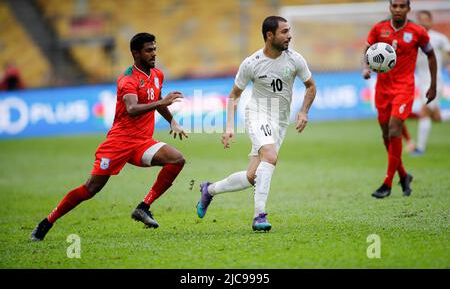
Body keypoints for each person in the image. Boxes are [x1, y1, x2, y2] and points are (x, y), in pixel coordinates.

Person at [30, 33, 188, 241]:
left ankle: (143, 207)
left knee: (177, 159)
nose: (154, 54)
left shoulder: (157, 75)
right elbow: (132, 108)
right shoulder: (127, 80)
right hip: (119, 142)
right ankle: (47, 222)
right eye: (149, 50)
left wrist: (172, 121)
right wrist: (162, 103)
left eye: (154, 49)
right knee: (91, 188)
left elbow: (156, 98)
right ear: (136, 53)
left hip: (142, 142)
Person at [196, 16, 316, 231]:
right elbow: (234, 95)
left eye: (289, 31)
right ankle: (259, 216)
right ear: (270, 36)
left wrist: (304, 111)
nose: (289, 35)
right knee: (270, 156)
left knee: (253, 176)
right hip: (258, 114)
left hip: (280, 121)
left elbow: (311, 86)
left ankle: (209, 190)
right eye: (284, 32)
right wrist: (230, 127)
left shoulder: (295, 59)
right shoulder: (251, 63)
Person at [362, 0, 437, 199]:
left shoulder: (417, 31)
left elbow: (431, 55)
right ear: (390, 7)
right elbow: (367, 51)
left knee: (395, 128)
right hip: (382, 89)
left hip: (404, 88)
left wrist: (433, 85)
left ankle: (387, 183)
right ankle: (404, 176)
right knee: (386, 135)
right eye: (394, 5)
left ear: (408, 9)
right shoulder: (379, 28)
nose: (398, 9)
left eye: (402, 6)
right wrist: (365, 68)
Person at [410, 10, 450, 155]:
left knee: (424, 112)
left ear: (431, 22)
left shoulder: (439, 38)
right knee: (436, 117)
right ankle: (420, 148)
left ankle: (420, 148)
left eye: (426, 19)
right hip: (421, 81)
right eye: (420, 20)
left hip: (435, 81)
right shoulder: (413, 39)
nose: (423, 22)